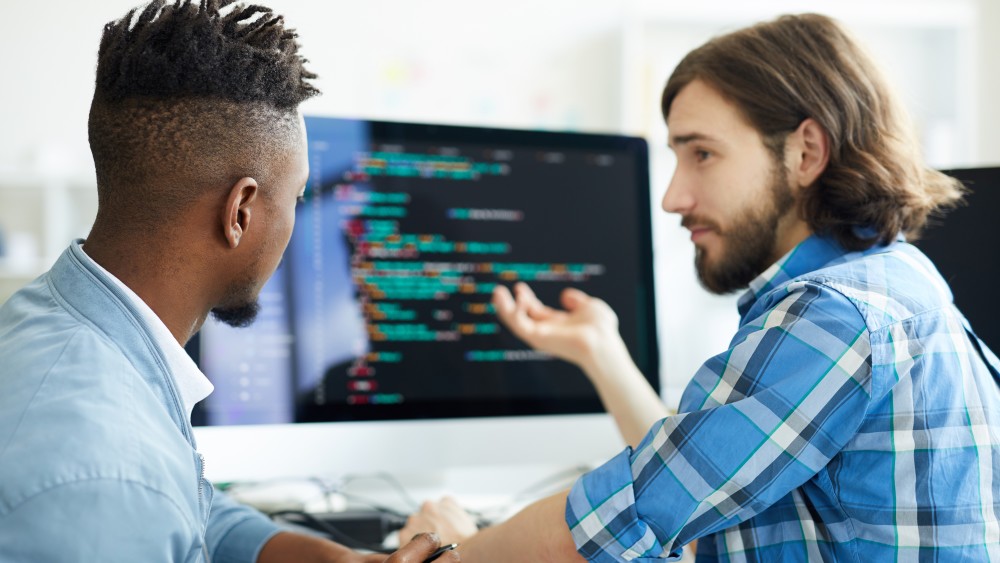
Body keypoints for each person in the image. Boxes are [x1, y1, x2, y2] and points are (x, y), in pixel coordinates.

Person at [400, 13, 1000, 562]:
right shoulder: (894, 280)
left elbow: (630, 510)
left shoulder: (833, 316)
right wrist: (601, 351)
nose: (672, 197)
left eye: (703, 154)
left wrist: (453, 552)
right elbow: (702, 479)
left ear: (805, 152)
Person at [0, 1, 457, 562]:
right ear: (240, 210)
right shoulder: (106, 476)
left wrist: (341, 559)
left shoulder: (53, 318)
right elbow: (134, 495)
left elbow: (185, 506)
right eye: (296, 197)